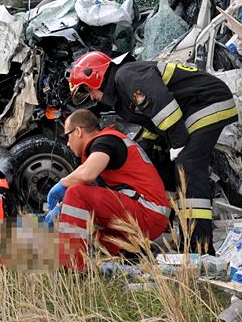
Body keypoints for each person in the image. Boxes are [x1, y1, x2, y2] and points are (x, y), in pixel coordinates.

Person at [68, 52, 238, 254]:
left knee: (188, 166)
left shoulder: (125, 76)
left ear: (94, 76)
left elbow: (163, 106)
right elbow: (151, 119)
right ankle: (180, 234)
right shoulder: (122, 94)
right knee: (163, 166)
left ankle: (199, 247)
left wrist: (178, 142)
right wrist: (150, 147)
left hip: (207, 102)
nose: (92, 97)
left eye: (88, 90)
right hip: (192, 108)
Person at [46, 109, 170, 270]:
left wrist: (61, 185)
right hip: (146, 214)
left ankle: (71, 267)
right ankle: (124, 259)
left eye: (67, 136)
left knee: (75, 193)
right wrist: (61, 209)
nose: (68, 143)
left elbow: (86, 175)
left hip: (147, 212)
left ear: (78, 131)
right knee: (98, 246)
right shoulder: (109, 141)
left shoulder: (105, 141)